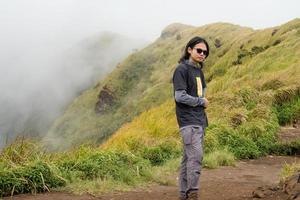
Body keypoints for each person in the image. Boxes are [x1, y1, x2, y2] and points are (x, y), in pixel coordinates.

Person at [172, 36, 210, 200]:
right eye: (199, 50)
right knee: (196, 157)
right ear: (189, 50)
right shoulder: (182, 70)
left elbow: (201, 92)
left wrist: (201, 102)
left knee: (188, 158)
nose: (202, 54)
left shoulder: (199, 71)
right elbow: (179, 96)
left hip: (200, 121)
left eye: (205, 52)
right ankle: (192, 192)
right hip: (189, 121)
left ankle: (183, 194)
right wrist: (201, 101)